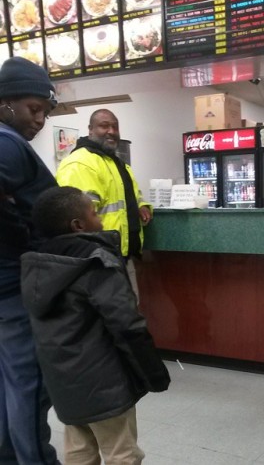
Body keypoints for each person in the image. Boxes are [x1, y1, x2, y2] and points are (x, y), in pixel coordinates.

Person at [21, 186, 171, 464]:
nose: (101, 219)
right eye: (94, 213)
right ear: (78, 225)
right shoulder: (95, 264)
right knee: (122, 452)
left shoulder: (37, 266)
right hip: (105, 382)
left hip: (63, 382)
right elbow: (126, 324)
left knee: (79, 450)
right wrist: (153, 371)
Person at [0, 56, 60, 463]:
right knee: (29, 383)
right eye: (33, 108)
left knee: (7, 384)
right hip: (16, 287)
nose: (39, 120)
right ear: (5, 102)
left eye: (45, 112)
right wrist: (19, 234)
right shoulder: (6, 143)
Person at [56, 108, 153, 299]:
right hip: (97, 259)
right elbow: (78, 219)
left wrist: (142, 206)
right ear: (90, 129)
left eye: (115, 127)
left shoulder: (117, 163)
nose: (111, 131)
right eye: (104, 126)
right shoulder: (81, 163)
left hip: (121, 255)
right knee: (112, 318)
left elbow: (131, 195)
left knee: (128, 311)